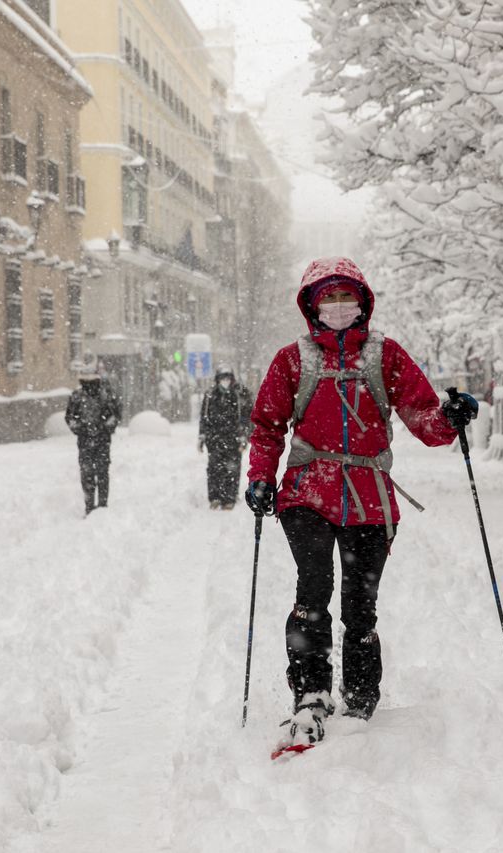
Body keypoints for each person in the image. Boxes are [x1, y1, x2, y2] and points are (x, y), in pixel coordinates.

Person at [245, 256, 479, 750]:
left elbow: (424, 419)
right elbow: (267, 426)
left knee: (360, 605)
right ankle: (310, 693)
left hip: (370, 499)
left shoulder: (384, 356)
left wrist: (451, 417)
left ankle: (359, 696)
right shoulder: (293, 360)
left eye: (344, 296)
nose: (336, 305)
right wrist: (262, 478)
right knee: (313, 593)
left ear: (362, 302)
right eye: (326, 297)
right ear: (311, 305)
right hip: (307, 492)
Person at [65, 368, 121, 515]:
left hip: (100, 441)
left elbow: (115, 415)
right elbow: (70, 418)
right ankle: (92, 506)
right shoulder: (78, 396)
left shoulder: (104, 395)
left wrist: (105, 427)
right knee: (90, 474)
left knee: (98, 473)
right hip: (88, 441)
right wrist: (81, 429)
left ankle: (100, 506)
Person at [198, 367, 252, 509]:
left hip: (234, 438)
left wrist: (245, 436)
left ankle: (230, 498)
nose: (225, 381)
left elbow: (247, 417)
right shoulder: (210, 395)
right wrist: (202, 436)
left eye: (228, 378)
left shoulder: (240, 394)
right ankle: (215, 497)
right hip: (214, 438)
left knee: (232, 469)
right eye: (223, 378)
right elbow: (204, 417)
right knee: (214, 468)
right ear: (217, 380)